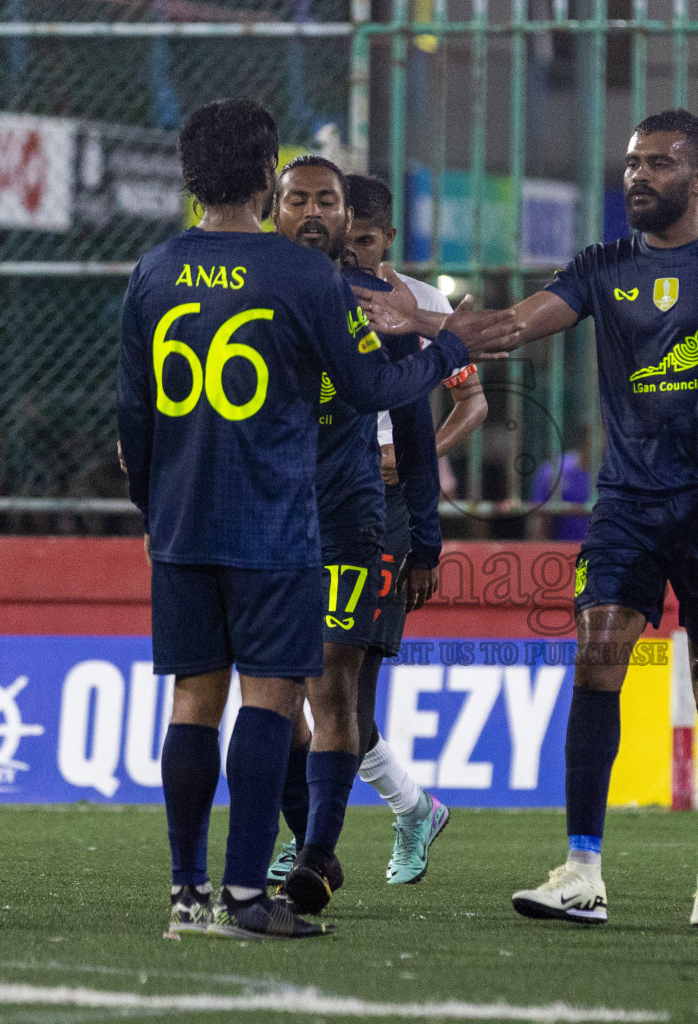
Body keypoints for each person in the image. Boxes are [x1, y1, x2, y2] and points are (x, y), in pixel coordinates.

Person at [353, 108, 698, 927]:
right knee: (598, 659)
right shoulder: (603, 266)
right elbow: (514, 326)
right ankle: (582, 870)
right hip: (628, 503)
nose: (637, 175)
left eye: (659, 164)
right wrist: (421, 322)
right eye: (632, 162)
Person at [116, 99, 506, 940]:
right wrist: (444, 347)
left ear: (189, 177)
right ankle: (248, 899)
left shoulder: (152, 272)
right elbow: (370, 389)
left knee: (193, 702)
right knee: (271, 698)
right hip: (274, 528)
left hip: (181, 528)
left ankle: (187, 895)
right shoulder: (301, 278)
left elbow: (132, 423)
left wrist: (158, 513)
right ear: (266, 178)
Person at [266, 155, 453, 913]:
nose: (315, 216)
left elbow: (414, 426)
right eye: (297, 200)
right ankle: (327, 831)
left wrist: (428, 540)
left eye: (329, 204)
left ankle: (315, 855)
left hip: (354, 518)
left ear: (353, 221)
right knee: (274, 701)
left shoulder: (392, 308)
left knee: (333, 688)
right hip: (264, 520)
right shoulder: (254, 288)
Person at [340, 172, 488, 884]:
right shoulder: (316, 292)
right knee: (301, 684)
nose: (357, 254)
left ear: (389, 238)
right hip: (315, 491)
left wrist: (416, 454)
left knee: (344, 686)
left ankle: (318, 837)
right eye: (347, 240)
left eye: (367, 241)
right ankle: (407, 809)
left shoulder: (423, 304)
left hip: (388, 505)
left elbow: (474, 403)